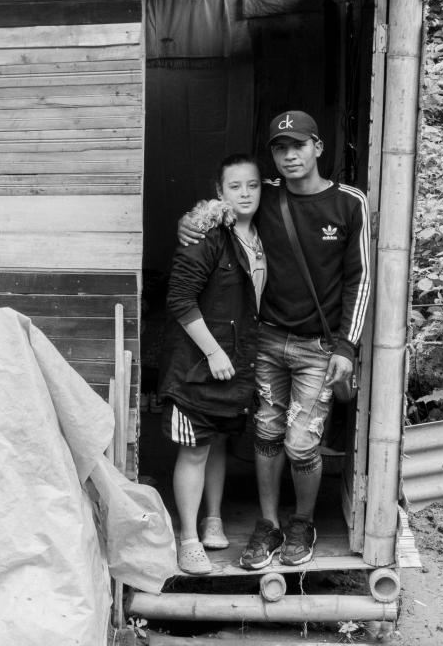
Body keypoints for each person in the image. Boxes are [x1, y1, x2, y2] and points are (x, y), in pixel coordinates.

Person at [178, 110, 370, 569]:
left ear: (317, 147)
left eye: (298, 146)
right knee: (265, 432)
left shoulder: (349, 202)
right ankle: (267, 524)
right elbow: (217, 211)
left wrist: (347, 347)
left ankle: (302, 522)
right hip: (265, 340)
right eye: (280, 148)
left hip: (318, 347)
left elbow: (360, 278)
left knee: (301, 442)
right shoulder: (265, 195)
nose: (290, 155)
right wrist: (186, 224)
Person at [160, 154, 266, 575]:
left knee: (219, 441)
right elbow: (179, 299)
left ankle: (213, 519)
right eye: (234, 186)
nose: (245, 193)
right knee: (195, 448)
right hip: (198, 364)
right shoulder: (206, 235)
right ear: (219, 192)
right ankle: (188, 539)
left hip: (236, 362)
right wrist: (213, 351)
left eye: (252, 185)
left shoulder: (261, 236)